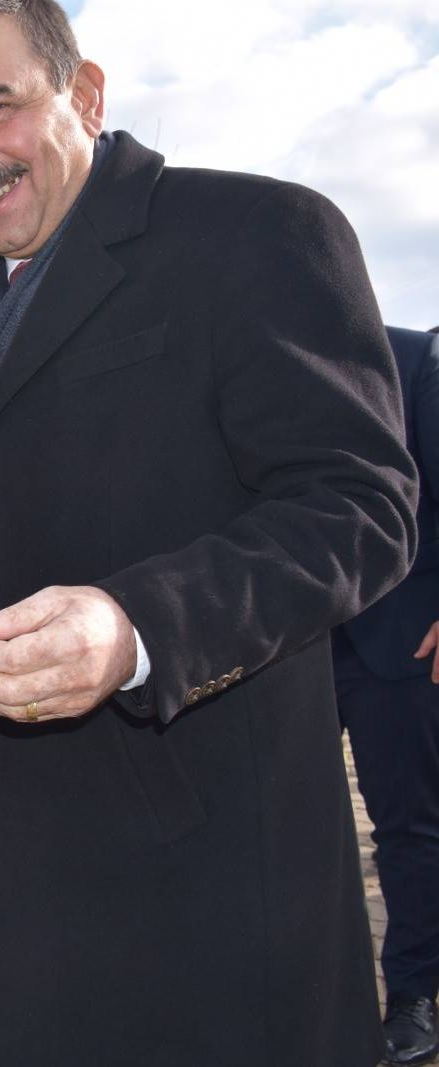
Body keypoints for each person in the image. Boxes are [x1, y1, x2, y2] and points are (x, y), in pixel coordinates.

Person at [0, 3, 418, 1065]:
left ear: (85, 94)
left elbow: (359, 502)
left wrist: (137, 625)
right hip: (21, 896)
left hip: (213, 895)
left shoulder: (256, 235)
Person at [333, 325, 439, 1066]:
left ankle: (414, 992)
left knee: (409, 825)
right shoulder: (249, 357)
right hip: (286, 643)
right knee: (282, 823)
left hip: (404, 636)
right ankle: (315, 994)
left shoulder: (412, 360)